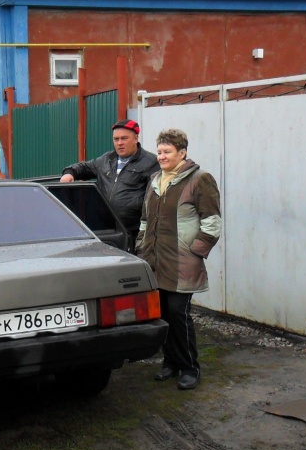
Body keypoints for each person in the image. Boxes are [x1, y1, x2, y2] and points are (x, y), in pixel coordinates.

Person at [135, 128, 222, 391]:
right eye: (159, 151)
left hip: (182, 262)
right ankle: (170, 363)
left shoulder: (200, 179)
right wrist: (141, 247)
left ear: (182, 153)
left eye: (167, 152)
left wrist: (195, 251)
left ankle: (189, 367)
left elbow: (212, 223)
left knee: (178, 313)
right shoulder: (154, 180)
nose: (161, 156)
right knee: (161, 313)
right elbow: (144, 220)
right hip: (155, 261)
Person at [60, 119, 159, 252]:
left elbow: (154, 200)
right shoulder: (106, 160)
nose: (119, 143)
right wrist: (69, 173)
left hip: (132, 232)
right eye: (116, 139)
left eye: (124, 138)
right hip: (105, 231)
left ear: (136, 138)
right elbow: (84, 167)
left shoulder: (151, 162)